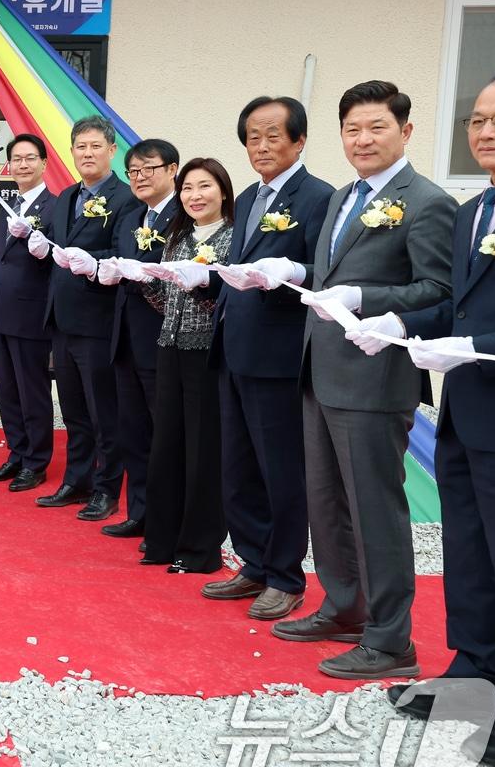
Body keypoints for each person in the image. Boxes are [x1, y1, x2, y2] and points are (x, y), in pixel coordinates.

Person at [359, 71, 495, 767]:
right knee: (472, 552)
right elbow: (459, 305)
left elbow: (483, 327)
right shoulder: (476, 209)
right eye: (476, 120)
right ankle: (474, 671)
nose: (486, 131)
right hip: (466, 411)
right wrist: (399, 322)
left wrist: (475, 346)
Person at [273, 81, 455, 678]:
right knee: (326, 503)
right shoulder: (343, 196)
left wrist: (366, 297)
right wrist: (289, 269)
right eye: (352, 129)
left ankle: (391, 639)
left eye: (376, 127)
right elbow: (330, 273)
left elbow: (439, 290)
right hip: (320, 370)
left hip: (375, 379)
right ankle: (344, 605)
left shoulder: (426, 202)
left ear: (405, 131)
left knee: (375, 510)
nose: (363, 139)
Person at [203, 96, 333, 621]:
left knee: (281, 472)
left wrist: (288, 272)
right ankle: (253, 563)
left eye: (272, 135)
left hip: (278, 356)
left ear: (299, 140)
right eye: (252, 137)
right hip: (234, 347)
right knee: (238, 469)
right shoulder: (251, 197)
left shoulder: (318, 197)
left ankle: (285, 576)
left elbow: (324, 273)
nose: (261, 146)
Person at [34, 116, 138, 520]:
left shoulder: (125, 198)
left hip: (98, 321)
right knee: (74, 409)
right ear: (72, 151)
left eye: (96, 146)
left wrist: (89, 259)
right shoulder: (66, 196)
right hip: (62, 319)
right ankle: (77, 480)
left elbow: (124, 254)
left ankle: (107, 489)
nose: (87, 153)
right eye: (81, 146)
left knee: (103, 411)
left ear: (112, 150)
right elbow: (59, 250)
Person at [137, 158, 234, 573]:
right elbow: (165, 302)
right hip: (169, 347)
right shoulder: (177, 237)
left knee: (202, 449)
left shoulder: (233, 238)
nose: (195, 196)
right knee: (166, 445)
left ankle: (198, 548)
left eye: (205, 186)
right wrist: (144, 279)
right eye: (188, 188)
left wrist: (200, 287)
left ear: (223, 192)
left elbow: (227, 304)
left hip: (207, 353)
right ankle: (161, 539)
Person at [96, 139, 181, 539]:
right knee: (134, 432)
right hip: (126, 338)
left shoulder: (183, 216)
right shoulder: (132, 215)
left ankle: (167, 523)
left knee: (166, 435)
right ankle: (140, 513)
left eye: (149, 168)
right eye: (134, 171)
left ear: (172, 170)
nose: (140, 177)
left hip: (163, 339)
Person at [0, 133, 61, 493]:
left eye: (30, 158)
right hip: (3, 312)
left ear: (43, 163)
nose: (23, 165)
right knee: (8, 389)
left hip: (32, 313)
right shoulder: (9, 204)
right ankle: (17, 452)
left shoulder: (55, 207)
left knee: (32, 390)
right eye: (17, 159)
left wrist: (38, 244)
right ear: (9, 166)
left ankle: (36, 461)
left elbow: (56, 257)